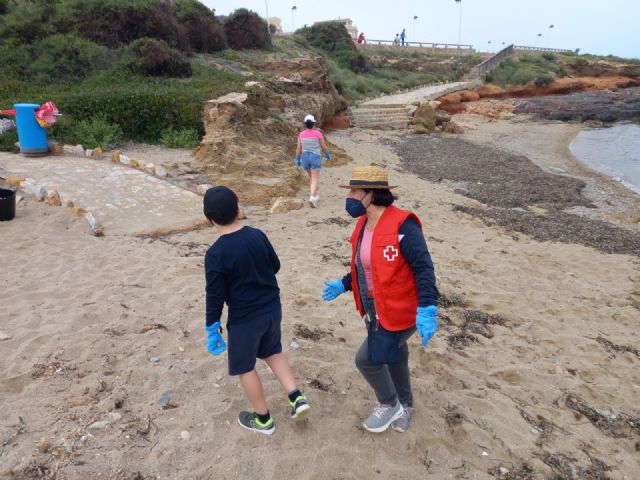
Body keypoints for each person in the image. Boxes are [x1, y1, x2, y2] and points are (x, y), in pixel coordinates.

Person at [322, 166, 439, 434]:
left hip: (401, 309)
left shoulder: (403, 225)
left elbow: (423, 267)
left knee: (367, 359)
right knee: (395, 354)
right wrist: (344, 283)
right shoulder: (363, 223)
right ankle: (406, 404)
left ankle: (390, 404)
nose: (350, 196)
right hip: (374, 307)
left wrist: (428, 307)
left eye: (354, 191)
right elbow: (366, 266)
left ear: (372, 194)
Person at [203, 185, 310, 435]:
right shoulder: (257, 234)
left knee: (244, 366)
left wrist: (212, 325)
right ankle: (296, 396)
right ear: (238, 209)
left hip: (245, 318)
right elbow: (275, 265)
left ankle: (263, 419)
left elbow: (215, 295)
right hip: (272, 307)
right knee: (273, 350)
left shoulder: (216, 254)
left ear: (208, 219)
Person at [295, 114, 331, 208]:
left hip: (305, 158)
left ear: (305, 124)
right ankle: (312, 197)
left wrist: (297, 158)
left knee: (311, 177)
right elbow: (323, 146)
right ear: (313, 124)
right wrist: (327, 154)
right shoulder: (318, 133)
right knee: (315, 179)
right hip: (315, 157)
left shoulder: (301, 134)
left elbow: (299, 148)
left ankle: (315, 195)